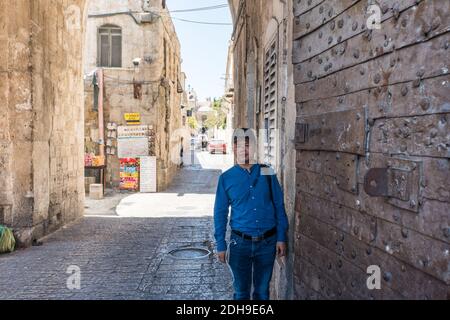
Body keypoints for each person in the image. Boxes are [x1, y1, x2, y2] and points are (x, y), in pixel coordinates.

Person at [214, 128, 289, 300]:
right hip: (240, 244)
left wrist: (281, 237)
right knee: (241, 293)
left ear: (254, 148)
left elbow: (279, 205)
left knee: (262, 292)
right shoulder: (226, 178)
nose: (243, 149)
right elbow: (220, 212)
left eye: (247, 145)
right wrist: (220, 244)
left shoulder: (267, 172)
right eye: (239, 145)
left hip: (267, 243)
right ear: (233, 148)